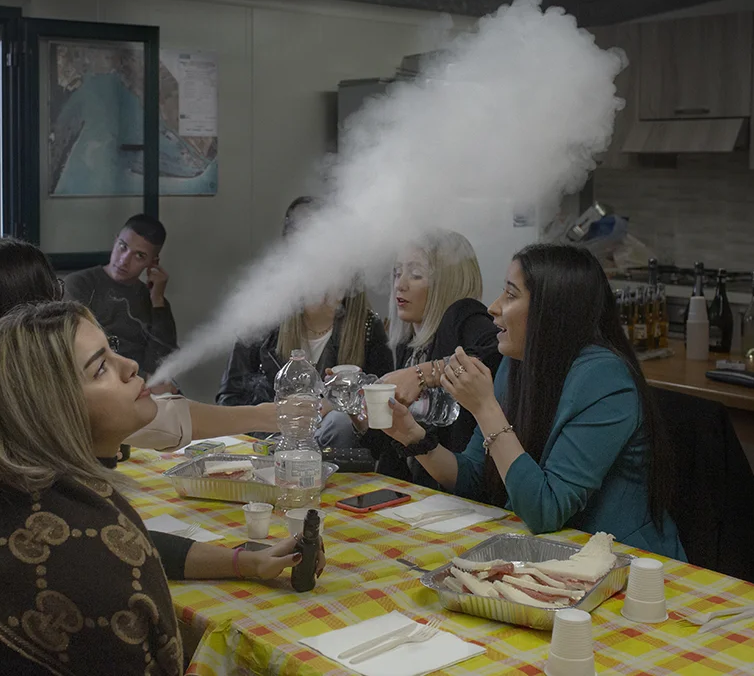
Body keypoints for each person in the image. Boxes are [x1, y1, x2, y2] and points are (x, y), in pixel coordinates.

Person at [0, 239, 286, 676]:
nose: (127, 370)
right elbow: (149, 439)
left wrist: (239, 559)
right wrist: (266, 416)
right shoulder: (4, 402)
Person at [0, 302, 321, 676]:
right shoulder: (94, 563)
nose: (129, 365)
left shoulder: (4, 500)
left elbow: (139, 545)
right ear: (53, 410)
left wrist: (246, 562)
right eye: (100, 370)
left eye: (111, 351)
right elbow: (114, 561)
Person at [380, 244, 685, 559]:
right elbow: (473, 477)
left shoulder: (605, 380)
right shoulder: (517, 364)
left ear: (552, 310)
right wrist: (412, 437)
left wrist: (485, 408)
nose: (494, 307)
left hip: (627, 567)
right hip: (549, 560)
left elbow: (546, 509)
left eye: (511, 296)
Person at [217, 197, 393, 447]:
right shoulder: (262, 320)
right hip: (268, 454)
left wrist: (347, 411)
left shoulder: (367, 329)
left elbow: (382, 424)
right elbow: (229, 401)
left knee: (338, 422)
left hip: (338, 467)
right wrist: (270, 425)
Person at [366, 230, 502, 485]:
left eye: (415, 274)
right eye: (397, 272)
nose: (400, 284)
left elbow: (495, 353)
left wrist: (424, 374)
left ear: (447, 282)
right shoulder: (408, 345)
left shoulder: (463, 316)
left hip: (465, 486)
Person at [63, 214, 177, 385]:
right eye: (123, 247)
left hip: (143, 387)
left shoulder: (154, 301)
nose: (124, 260)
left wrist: (158, 301)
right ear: (115, 241)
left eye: (139, 256)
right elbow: (78, 348)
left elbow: (163, 360)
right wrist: (141, 379)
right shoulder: (80, 284)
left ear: (152, 263)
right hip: (97, 384)